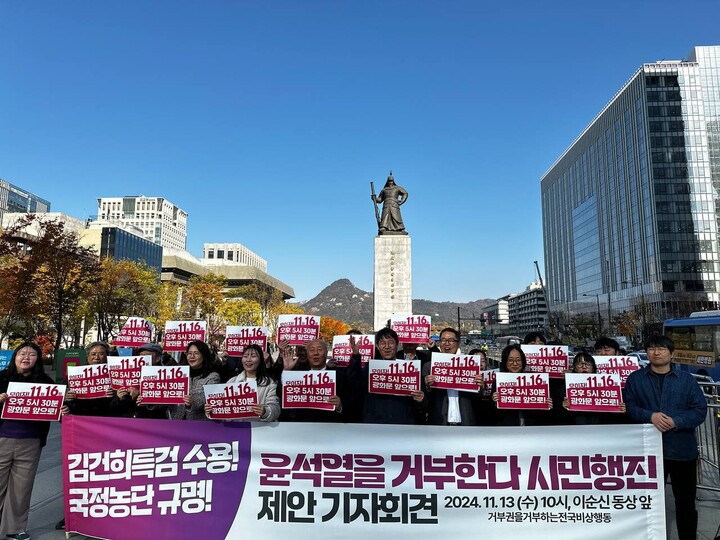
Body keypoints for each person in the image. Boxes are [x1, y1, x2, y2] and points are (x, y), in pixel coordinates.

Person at [623, 335, 706, 540]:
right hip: (648, 452)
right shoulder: (636, 378)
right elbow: (629, 407)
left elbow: (700, 410)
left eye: (661, 348)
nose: (656, 352)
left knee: (685, 503)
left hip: (681, 450)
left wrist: (676, 421)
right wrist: (650, 416)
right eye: (651, 348)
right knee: (648, 501)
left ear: (671, 353)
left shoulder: (686, 380)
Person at [0, 342, 55, 540]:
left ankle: (14, 529)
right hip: (2, 438)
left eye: (31, 354)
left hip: (30, 441)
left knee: (21, 489)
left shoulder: (46, 382)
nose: (26, 357)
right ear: (14, 357)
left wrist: (63, 409)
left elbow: (54, 410)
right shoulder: (1, 378)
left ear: (38, 359)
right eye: (22, 353)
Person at [347, 327, 425, 424]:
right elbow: (355, 384)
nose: (387, 346)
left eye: (391, 342)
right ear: (378, 346)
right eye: (382, 343)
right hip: (375, 424)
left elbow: (423, 403)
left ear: (397, 345)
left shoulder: (411, 369)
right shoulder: (371, 367)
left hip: (403, 425)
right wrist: (355, 356)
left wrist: (421, 399)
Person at [423, 328, 482, 425]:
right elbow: (423, 401)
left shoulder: (470, 366)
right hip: (439, 423)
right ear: (439, 343)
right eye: (443, 340)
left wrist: (480, 386)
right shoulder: (428, 367)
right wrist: (427, 386)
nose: (447, 343)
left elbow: (477, 400)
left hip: (465, 424)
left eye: (451, 340)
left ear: (458, 344)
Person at [208, 344, 279, 422]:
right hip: (235, 430)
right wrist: (212, 410)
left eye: (253, 356)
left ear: (260, 360)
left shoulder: (269, 384)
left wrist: (265, 411)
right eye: (245, 356)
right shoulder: (232, 382)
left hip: (258, 430)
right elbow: (224, 411)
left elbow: (275, 408)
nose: (248, 359)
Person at [279, 340, 343, 422]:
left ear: (326, 353)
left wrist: (339, 407)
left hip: (329, 425)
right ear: (307, 354)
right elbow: (280, 395)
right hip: (300, 424)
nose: (315, 353)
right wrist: (286, 371)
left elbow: (350, 405)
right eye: (312, 350)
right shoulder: (297, 374)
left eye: (319, 349)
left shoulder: (340, 376)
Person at [169, 341, 220, 421]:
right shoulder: (179, 374)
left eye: (196, 353)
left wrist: (192, 400)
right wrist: (148, 399)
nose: (192, 356)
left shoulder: (213, 377)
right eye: (189, 353)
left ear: (204, 355)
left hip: (198, 426)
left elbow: (206, 400)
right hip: (176, 422)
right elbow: (167, 397)